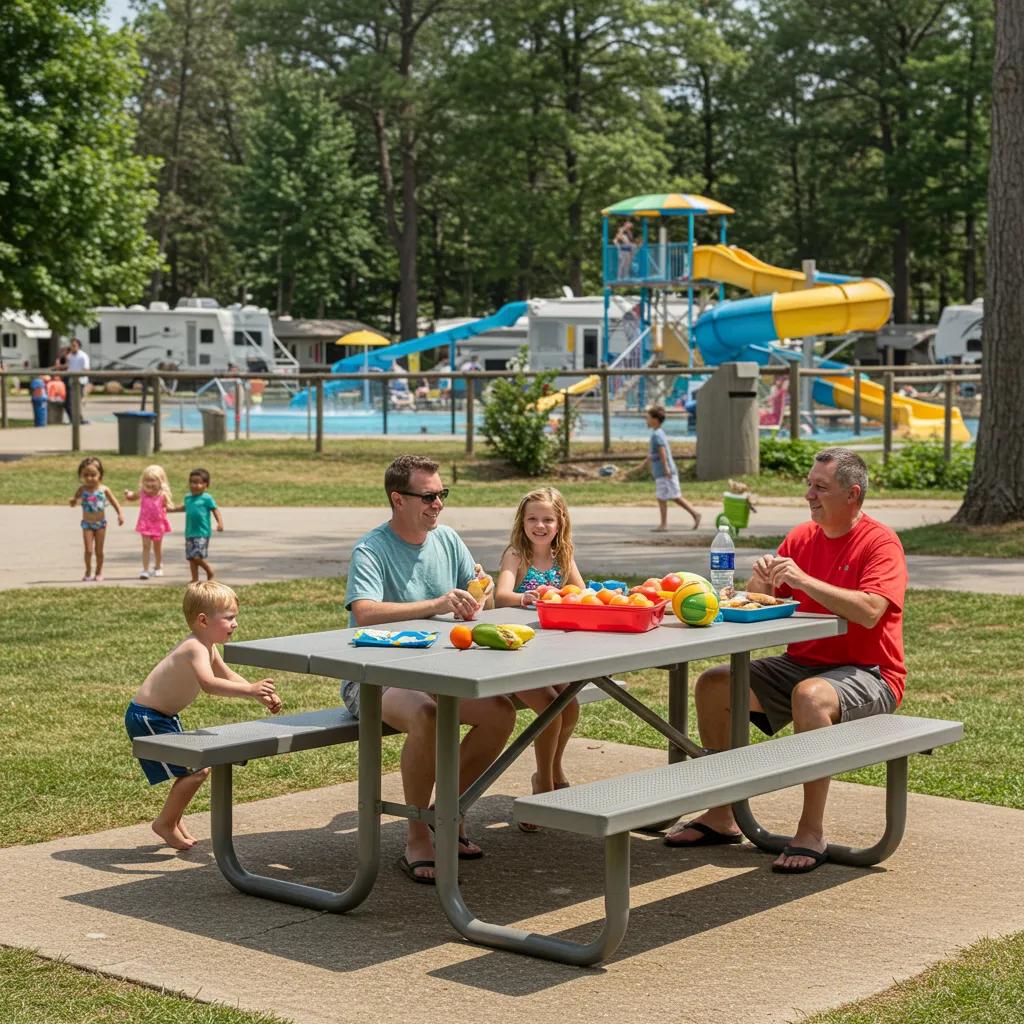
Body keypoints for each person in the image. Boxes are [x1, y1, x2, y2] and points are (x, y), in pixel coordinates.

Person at [664, 448, 907, 874]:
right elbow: (764, 601)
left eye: (820, 487)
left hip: (871, 674)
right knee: (714, 683)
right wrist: (758, 581)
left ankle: (810, 830)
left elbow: (870, 610)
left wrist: (803, 579)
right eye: (809, 484)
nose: (809, 494)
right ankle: (722, 814)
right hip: (802, 662)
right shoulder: (800, 537)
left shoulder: (880, 542)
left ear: (852, 495)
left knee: (810, 697)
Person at [343, 454, 516, 884]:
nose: (438, 503)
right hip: (373, 677)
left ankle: (447, 811)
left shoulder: (449, 540)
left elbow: (475, 608)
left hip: (438, 672)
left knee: (501, 713)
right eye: (428, 496)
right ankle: (416, 834)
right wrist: (438, 604)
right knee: (427, 714)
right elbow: (364, 612)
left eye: (442, 494)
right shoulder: (371, 548)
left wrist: (484, 594)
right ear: (397, 499)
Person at [125, 581, 282, 850]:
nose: (235, 624)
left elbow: (227, 675)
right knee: (197, 770)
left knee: (191, 770)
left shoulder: (207, 646)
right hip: (148, 718)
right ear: (203, 620)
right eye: (229, 618)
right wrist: (249, 689)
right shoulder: (194, 647)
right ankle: (164, 823)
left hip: (163, 717)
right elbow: (210, 684)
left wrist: (259, 694)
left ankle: (172, 822)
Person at [494, 487, 584, 830]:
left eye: (548, 519)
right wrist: (525, 598)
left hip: (551, 652)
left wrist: (567, 593)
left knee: (570, 706)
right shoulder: (517, 555)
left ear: (560, 522)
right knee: (551, 707)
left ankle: (552, 768)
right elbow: (501, 596)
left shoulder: (565, 557)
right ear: (523, 522)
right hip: (516, 652)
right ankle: (543, 787)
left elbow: (581, 593)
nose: (540, 525)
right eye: (533, 518)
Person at [641, 405, 700, 531]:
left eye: (648, 418)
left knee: (673, 496)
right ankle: (665, 524)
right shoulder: (658, 433)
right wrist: (647, 461)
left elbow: (662, 452)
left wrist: (666, 468)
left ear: (655, 420)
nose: (646, 420)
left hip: (665, 472)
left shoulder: (657, 435)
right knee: (664, 496)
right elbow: (657, 453)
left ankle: (694, 514)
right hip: (662, 472)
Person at [69, 456, 124, 581]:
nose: (89, 478)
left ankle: (99, 571)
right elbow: (74, 502)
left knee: (99, 551)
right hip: (87, 524)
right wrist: (73, 502)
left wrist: (120, 514)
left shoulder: (104, 490)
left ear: (100, 475)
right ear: (81, 475)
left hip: (100, 524)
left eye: (93, 475)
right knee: (88, 551)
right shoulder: (82, 490)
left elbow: (115, 502)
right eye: (85, 475)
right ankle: (88, 571)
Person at [170, 468, 222, 582]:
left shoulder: (207, 498)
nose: (195, 485)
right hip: (190, 532)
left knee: (197, 556)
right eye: (192, 482)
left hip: (202, 532)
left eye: (199, 482)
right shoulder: (188, 497)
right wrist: (171, 510)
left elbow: (215, 510)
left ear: (206, 485)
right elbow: (184, 507)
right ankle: (194, 579)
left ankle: (209, 570)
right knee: (191, 558)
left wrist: (220, 523)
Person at [123, 465, 174, 579]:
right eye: (146, 480)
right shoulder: (142, 492)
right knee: (146, 546)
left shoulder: (162, 495)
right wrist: (128, 495)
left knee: (157, 547)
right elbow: (133, 497)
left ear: (160, 481)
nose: (149, 483)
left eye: (153, 480)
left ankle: (158, 566)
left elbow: (169, 507)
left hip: (158, 524)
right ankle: (145, 570)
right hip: (145, 523)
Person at [64, 337, 91, 425]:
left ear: (78, 346)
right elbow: (68, 367)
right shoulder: (69, 356)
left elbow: (86, 369)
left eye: (74, 345)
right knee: (71, 402)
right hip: (71, 380)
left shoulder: (83, 356)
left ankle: (79, 419)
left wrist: (79, 375)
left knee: (77, 401)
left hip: (80, 381)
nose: (72, 347)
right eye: (71, 345)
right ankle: (75, 419)